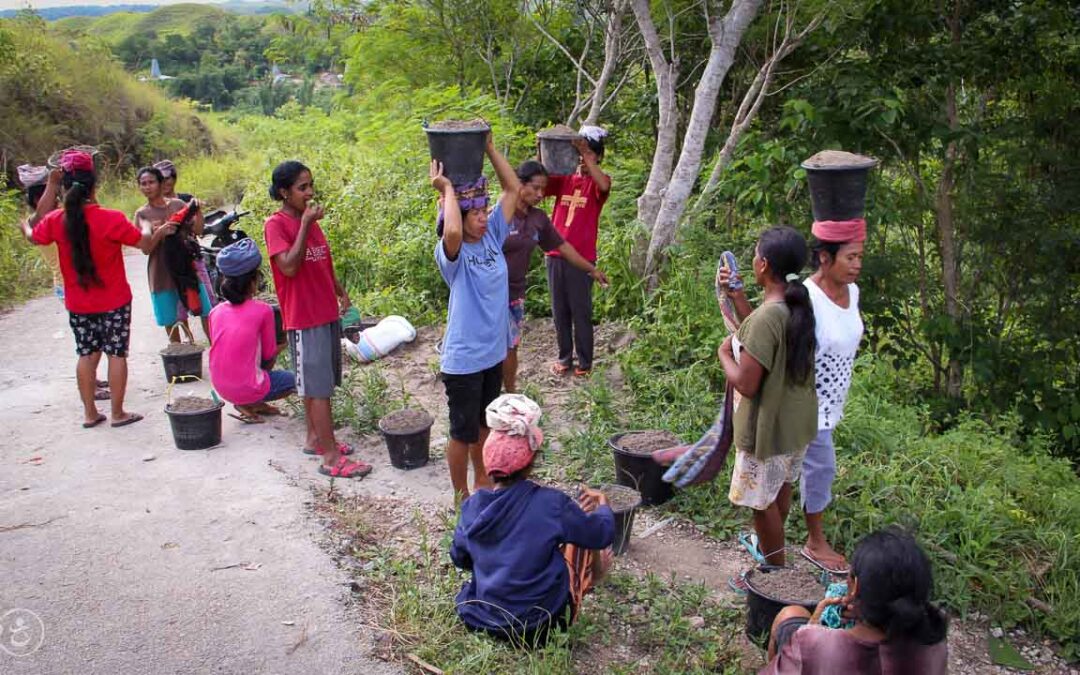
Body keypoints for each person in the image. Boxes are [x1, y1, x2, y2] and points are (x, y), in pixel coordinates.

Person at [450, 394, 614, 647]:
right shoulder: (551, 504)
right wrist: (603, 504)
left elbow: (460, 558)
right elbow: (601, 534)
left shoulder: (473, 506)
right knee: (578, 533)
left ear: (488, 464)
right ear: (531, 463)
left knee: (551, 533)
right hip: (542, 625)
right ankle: (595, 576)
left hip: (484, 618)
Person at [18, 150, 167, 428]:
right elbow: (145, 245)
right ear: (94, 185)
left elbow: (33, 233)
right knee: (116, 353)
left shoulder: (55, 220)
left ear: (64, 188)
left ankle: (89, 413)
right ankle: (118, 413)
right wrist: (146, 226)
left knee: (86, 354)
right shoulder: (110, 218)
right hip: (115, 301)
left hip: (78, 303)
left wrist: (27, 223)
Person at [718, 226, 817, 568]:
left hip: (768, 428)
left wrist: (724, 355)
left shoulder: (768, 317)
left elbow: (747, 384)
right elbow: (763, 336)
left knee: (761, 503)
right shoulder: (794, 305)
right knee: (779, 490)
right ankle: (775, 555)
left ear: (763, 265)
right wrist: (739, 298)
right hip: (794, 423)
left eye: (756, 254)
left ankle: (775, 571)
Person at [265, 160, 370, 479]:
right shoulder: (277, 224)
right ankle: (330, 457)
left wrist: (340, 291)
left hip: (324, 311)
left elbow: (322, 260)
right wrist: (307, 224)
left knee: (321, 383)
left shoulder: (308, 220)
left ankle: (315, 438)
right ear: (284, 192)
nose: (309, 193)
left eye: (311, 186)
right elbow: (289, 267)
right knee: (318, 387)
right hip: (304, 316)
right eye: (302, 187)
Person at [431, 131, 519, 500]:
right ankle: (460, 495)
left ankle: (482, 480)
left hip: (491, 353)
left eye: (485, 212)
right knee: (461, 431)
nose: (484, 218)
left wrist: (489, 149)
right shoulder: (452, 255)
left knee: (484, 423)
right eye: (477, 214)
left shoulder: (491, 237)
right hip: (464, 359)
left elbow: (512, 189)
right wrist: (446, 188)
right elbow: (451, 228)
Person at [760, 527, 949, 674]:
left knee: (790, 615)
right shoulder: (933, 644)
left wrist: (810, 630)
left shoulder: (813, 643)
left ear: (856, 586)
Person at [502, 160, 608, 393]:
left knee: (511, 346)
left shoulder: (538, 219)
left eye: (543, 189)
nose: (541, 194)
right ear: (519, 184)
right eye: (536, 188)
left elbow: (564, 247)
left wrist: (591, 269)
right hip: (490, 293)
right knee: (492, 345)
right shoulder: (500, 214)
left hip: (514, 294)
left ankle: (509, 394)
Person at [797, 219, 866, 573]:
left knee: (802, 467)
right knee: (821, 467)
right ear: (825, 258)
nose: (857, 265)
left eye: (859, 257)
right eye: (850, 257)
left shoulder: (852, 293)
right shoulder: (806, 298)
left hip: (833, 400)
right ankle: (814, 542)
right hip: (806, 404)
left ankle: (773, 532)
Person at [544, 126, 612, 377]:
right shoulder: (565, 179)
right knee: (559, 310)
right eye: (579, 156)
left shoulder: (598, 183)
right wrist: (543, 151)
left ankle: (584, 362)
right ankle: (564, 358)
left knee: (580, 311)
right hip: (554, 256)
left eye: (587, 156)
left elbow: (603, 184)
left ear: (597, 157)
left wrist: (589, 158)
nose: (581, 161)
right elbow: (543, 180)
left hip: (582, 260)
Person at [207, 238, 295, 422]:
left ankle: (249, 402)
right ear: (254, 281)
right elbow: (269, 354)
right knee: (297, 380)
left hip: (220, 386)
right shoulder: (263, 310)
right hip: (245, 386)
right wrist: (286, 341)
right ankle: (251, 400)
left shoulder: (215, 312)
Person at [133, 166, 213, 344]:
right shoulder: (141, 214)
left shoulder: (178, 205)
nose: (147, 187)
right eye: (143, 184)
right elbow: (145, 249)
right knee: (172, 321)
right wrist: (160, 232)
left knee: (204, 310)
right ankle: (182, 360)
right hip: (161, 273)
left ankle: (210, 350)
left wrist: (197, 211)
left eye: (151, 182)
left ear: (161, 183)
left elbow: (198, 230)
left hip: (187, 267)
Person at [155, 159, 217, 308]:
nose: (164, 183)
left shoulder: (187, 200)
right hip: (168, 262)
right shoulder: (153, 205)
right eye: (160, 179)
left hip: (192, 257)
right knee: (176, 313)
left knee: (206, 305)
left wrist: (197, 210)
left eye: (167, 178)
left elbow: (199, 230)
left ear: (174, 178)